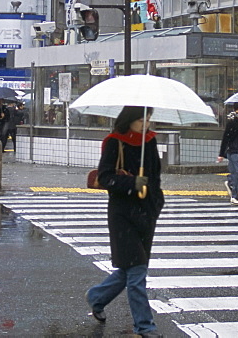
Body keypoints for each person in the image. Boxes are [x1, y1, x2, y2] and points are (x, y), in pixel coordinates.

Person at [85, 106, 162, 337]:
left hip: (146, 212)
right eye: (141, 120)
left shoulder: (149, 141)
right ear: (129, 120)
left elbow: (156, 176)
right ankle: (145, 326)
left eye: (148, 120)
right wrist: (131, 184)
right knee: (137, 271)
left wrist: (156, 202)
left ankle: (96, 297)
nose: (145, 125)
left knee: (130, 270)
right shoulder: (114, 142)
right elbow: (105, 177)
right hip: (122, 214)